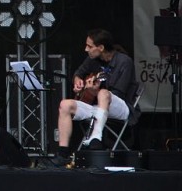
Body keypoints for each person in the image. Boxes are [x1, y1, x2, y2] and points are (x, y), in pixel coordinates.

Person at [55, 28, 139, 163]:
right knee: (65, 104)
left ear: (101, 48)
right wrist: (77, 81)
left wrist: (96, 92)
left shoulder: (124, 62)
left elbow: (118, 93)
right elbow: (78, 73)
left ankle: (96, 137)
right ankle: (62, 154)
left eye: (90, 46)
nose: (86, 49)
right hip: (99, 108)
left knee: (103, 93)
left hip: (121, 108)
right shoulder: (92, 59)